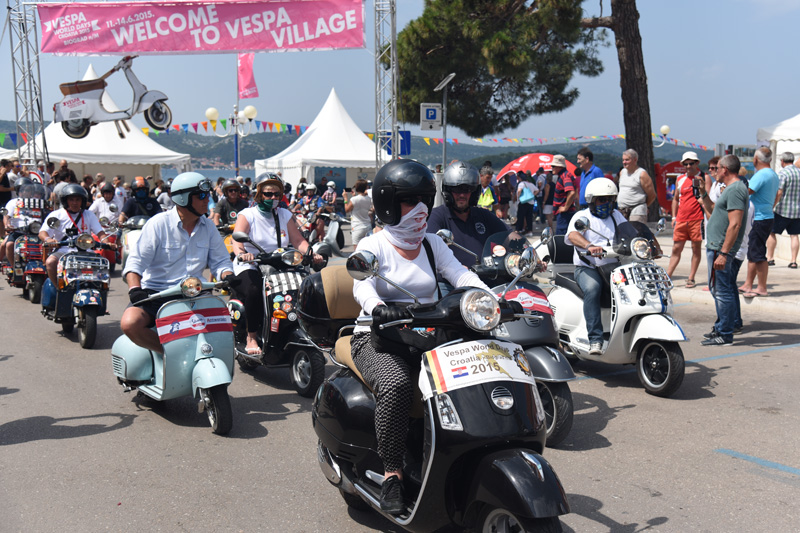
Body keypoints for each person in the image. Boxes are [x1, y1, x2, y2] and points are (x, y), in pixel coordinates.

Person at [351, 159, 489, 513]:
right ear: (387, 204)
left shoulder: (432, 244)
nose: (421, 209)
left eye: (425, 200)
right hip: (377, 335)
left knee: (479, 366)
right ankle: (393, 474)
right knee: (396, 384)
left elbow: (460, 275)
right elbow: (361, 285)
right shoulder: (374, 245)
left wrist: (491, 298)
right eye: (410, 201)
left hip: (427, 332)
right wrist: (379, 306)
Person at [120, 172, 234, 354]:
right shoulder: (158, 224)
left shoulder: (209, 226)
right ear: (183, 198)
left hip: (195, 293)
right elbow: (135, 263)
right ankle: (168, 354)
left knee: (226, 326)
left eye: (208, 195)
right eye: (201, 196)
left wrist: (228, 276)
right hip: (157, 293)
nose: (208, 200)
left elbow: (220, 261)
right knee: (130, 323)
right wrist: (135, 289)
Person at [230, 174, 323, 355]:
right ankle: (251, 336)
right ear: (258, 195)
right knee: (254, 290)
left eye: (276, 195)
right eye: (268, 194)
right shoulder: (248, 215)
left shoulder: (284, 214)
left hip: (278, 261)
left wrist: (312, 254)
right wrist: (243, 254)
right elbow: (237, 240)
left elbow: (297, 241)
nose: (273, 198)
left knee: (306, 284)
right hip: (252, 263)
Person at [564, 179, 629, 355]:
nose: (606, 204)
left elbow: (630, 232)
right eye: (602, 200)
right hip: (588, 267)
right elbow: (573, 235)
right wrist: (589, 246)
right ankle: (595, 339)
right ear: (592, 200)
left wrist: (646, 243)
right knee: (593, 289)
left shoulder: (616, 215)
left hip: (613, 267)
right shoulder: (582, 217)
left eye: (610, 199)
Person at [697, 155, 749, 346]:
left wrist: (724, 253)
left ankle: (725, 333)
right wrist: (703, 193)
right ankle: (721, 327)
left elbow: (735, 225)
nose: (714, 172)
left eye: (716, 168)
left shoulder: (735, 190)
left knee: (723, 291)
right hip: (716, 247)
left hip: (721, 249)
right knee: (718, 289)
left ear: (725, 169)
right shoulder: (729, 189)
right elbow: (711, 212)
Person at [427, 160, 509, 267]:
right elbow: (430, 250)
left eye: (467, 190)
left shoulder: (483, 215)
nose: (462, 195)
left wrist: (526, 250)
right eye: (456, 189)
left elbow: (509, 234)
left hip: (486, 277)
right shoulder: (437, 216)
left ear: (475, 192)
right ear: (447, 191)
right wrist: (456, 268)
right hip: (451, 281)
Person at [39, 184, 111, 286]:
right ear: (65, 201)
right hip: (63, 251)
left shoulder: (89, 214)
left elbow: (100, 233)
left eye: (78, 200)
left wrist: (107, 242)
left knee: (103, 267)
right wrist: (48, 239)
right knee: (50, 262)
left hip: (86, 252)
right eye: (71, 199)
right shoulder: (56, 215)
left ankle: (100, 292)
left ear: (82, 201)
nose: (75, 203)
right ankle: (58, 288)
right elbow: (42, 232)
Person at [739, 147, 779, 298]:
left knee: (758, 253)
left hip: (760, 217)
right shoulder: (773, 174)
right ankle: (748, 284)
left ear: (756, 159)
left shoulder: (761, 174)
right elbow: (778, 195)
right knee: (753, 252)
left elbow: (746, 191)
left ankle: (761, 287)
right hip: (766, 215)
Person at [667, 152, 706, 287]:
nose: (688, 166)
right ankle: (668, 276)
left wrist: (702, 189)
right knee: (676, 249)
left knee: (696, 248)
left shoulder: (703, 177)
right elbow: (676, 199)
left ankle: (691, 277)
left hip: (697, 218)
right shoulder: (680, 179)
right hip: (682, 218)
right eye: (686, 164)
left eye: (691, 163)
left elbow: (709, 198)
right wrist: (673, 216)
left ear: (697, 163)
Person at [766, 151, 800, 268]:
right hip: (797, 211)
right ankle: (793, 260)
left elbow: (779, 192)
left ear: (782, 161)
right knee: (794, 235)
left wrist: (773, 205)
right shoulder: (799, 172)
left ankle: (770, 258)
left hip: (782, 209)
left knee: (772, 232)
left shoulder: (783, 173)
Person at [2, 178, 47, 264]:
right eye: (22, 190)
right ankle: (14, 267)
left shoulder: (38, 202)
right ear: (18, 191)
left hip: (35, 231)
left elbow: (46, 215)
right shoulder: (13, 202)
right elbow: (6, 216)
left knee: (48, 245)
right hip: (18, 231)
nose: (25, 192)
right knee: (9, 245)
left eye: (28, 190)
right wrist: (7, 225)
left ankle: (44, 266)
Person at [617, 149, 656, 223]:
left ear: (635, 160)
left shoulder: (642, 174)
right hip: (622, 210)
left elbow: (652, 195)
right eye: (623, 160)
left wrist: (643, 205)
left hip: (637, 210)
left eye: (627, 160)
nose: (624, 162)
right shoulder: (622, 172)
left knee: (636, 232)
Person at [552, 154, 578, 234]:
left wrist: (565, 207)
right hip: (565, 214)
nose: (552, 168)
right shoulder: (564, 175)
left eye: (553, 166)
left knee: (561, 239)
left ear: (559, 167)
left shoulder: (565, 176)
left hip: (565, 214)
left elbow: (571, 192)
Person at [343, 179, 373, 247]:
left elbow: (347, 210)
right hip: (367, 226)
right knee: (367, 248)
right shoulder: (368, 199)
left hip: (357, 227)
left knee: (357, 250)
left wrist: (345, 199)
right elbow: (359, 205)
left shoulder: (354, 199)